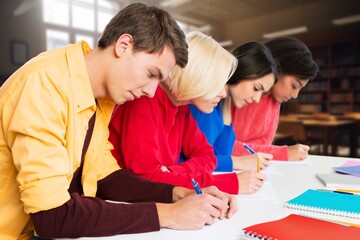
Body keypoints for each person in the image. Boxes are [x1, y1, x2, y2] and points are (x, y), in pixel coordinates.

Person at [0, 3, 237, 240]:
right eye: (151, 74)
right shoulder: (46, 84)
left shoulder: (99, 97)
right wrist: (169, 214)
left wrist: (178, 194)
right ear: (124, 45)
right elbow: (52, 216)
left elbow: (106, 177)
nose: (153, 92)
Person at [109, 31, 265, 195]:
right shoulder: (142, 101)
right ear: (198, 75)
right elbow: (147, 179)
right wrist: (222, 183)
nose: (223, 93)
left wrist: (171, 172)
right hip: (119, 199)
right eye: (217, 83)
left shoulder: (181, 107)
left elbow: (208, 156)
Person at [181, 42, 277, 192]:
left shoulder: (219, 105)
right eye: (256, 88)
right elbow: (191, 162)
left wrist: (227, 109)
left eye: (262, 93)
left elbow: (221, 154)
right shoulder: (202, 103)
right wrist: (237, 162)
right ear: (242, 71)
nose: (257, 99)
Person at [232, 37, 319, 161]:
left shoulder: (275, 99)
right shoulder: (243, 93)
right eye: (294, 85)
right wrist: (281, 153)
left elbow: (263, 146)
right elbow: (224, 147)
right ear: (277, 69)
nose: (295, 95)